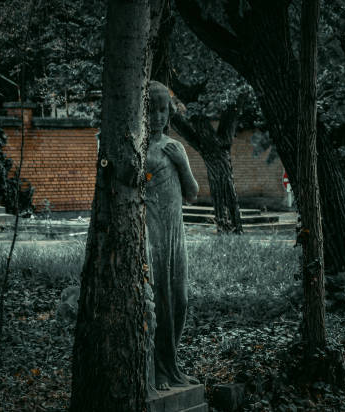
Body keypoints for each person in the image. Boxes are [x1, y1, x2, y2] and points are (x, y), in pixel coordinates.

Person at [145, 81, 199, 390]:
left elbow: (192, 193)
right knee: (159, 300)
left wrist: (181, 162)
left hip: (176, 233)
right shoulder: (138, 148)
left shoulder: (173, 147)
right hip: (152, 235)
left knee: (180, 300)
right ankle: (157, 368)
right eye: (151, 110)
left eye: (162, 110)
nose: (157, 117)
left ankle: (171, 363)